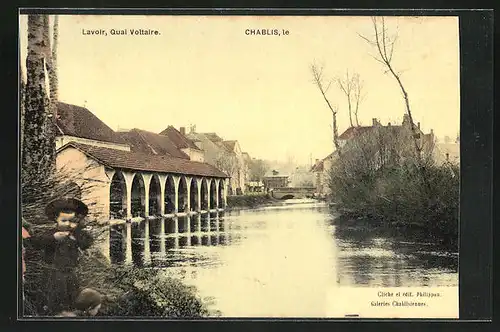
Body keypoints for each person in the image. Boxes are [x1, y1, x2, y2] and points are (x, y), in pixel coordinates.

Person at [27, 197, 94, 315]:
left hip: (71, 275)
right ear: (55, 220)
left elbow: (87, 242)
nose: (68, 224)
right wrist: (53, 238)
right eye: (64, 221)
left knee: (72, 300)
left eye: (72, 221)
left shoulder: (76, 234)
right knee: (54, 302)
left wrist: (78, 231)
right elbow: (35, 242)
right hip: (53, 275)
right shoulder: (51, 234)